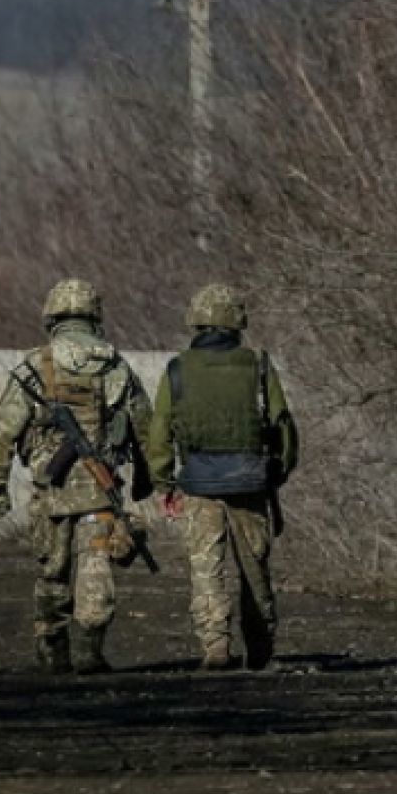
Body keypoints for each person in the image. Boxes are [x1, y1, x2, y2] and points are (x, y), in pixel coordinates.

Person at [0, 278, 152, 675]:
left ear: (52, 316)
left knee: (52, 572)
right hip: (99, 490)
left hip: (50, 493)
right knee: (97, 566)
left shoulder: (33, 366)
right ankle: (90, 653)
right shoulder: (114, 366)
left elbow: (3, 432)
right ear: (95, 316)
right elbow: (146, 428)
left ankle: (52, 654)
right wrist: (150, 480)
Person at [143, 284, 298, 672]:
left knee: (205, 566)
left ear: (196, 320)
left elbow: (160, 432)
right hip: (250, 481)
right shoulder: (259, 365)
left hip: (197, 483)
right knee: (254, 567)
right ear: (237, 321)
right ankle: (259, 649)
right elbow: (283, 427)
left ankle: (216, 646)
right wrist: (275, 474)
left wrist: (163, 483)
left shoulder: (177, 369)